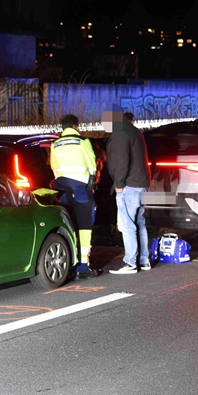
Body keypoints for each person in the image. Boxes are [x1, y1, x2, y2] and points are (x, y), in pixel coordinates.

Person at [50, 114, 98, 278]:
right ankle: (83, 266)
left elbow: (54, 168)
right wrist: (92, 182)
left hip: (63, 190)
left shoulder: (55, 144)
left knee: (69, 226)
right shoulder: (83, 142)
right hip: (81, 190)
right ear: (76, 126)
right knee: (85, 226)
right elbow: (92, 166)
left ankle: (68, 262)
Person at [104, 108, 151, 274]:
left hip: (129, 185)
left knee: (127, 225)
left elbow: (122, 160)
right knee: (140, 223)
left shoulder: (120, 133)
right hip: (142, 183)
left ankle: (130, 262)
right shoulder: (135, 131)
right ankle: (144, 260)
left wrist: (119, 183)